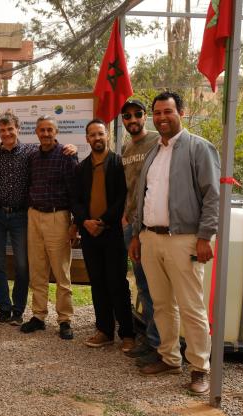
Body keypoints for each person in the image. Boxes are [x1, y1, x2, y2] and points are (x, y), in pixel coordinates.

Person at [129, 91, 220, 396]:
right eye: (157, 113)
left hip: (185, 240)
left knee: (191, 306)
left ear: (182, 112)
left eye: (168, 112)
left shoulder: (199, 148)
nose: (162, 118)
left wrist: (205, 236)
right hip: (151, 238)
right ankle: (169, 358)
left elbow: (212, 196)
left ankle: (200, 368)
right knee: (162, 304)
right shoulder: (154, 151)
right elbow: (145, 196)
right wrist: (137, 236)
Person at [0, 112, 77, 327]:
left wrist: (70, 148)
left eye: (10, 129)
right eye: (2, 130)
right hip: (8, 215)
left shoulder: (34, 152)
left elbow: (71, 184)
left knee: (35, 267)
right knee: (13, 266)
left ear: (18, 129)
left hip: (32, 216)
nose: (7, 133)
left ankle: (36, 313)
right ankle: (17, 311)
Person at [72, 119, 135, 351]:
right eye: (92, 135)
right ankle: (104, 330)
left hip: (113, 233)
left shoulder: (119, 164)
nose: (97, 138)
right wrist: (84, 221)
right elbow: (76, 200)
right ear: (87, 138)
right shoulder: (81, 168)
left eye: (100, 134)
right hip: (89, 234)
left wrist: (103, 221)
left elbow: (122, 198)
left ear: (107, 135)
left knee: (117, 282)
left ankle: (127, 334)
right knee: (97, 282)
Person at [20, 116, 78, 340]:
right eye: (41, 130)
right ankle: (38, 316)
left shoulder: (66, 155)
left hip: (58, 216)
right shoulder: (32, 156)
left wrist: (75, 223)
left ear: (56, 132)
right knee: (38, 269)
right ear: (36, 132)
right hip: (34, 216)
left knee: (61, 271)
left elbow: (74, 191)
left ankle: (65, 319)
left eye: (49, 130)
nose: (45, 134)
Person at [119, 99, 162, 365]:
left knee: (157, 286)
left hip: (153, 226)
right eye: (127, 116)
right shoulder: (126, 147)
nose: (132, 120)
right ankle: (150, 338)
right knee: (143, 284)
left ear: (145, 116)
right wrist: (125, 216)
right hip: (131, 225)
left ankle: (159, 343)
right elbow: (128, 186)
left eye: (137, 115)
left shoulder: (158, 142)